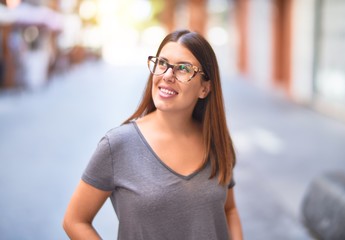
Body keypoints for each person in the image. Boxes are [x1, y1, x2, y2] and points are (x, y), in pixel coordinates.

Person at [63, 29, 243, 240]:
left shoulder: (216, 141)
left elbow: (229, 210)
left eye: (183, 68)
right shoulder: (118, 145)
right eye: (162, 63)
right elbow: (74, 220)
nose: (167, 75)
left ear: (205, 88)